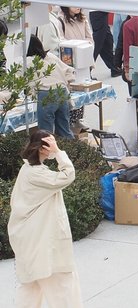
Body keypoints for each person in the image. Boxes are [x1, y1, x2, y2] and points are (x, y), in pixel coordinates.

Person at [7, 130, 83, 308]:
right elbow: (67, 175)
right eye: (51, 144)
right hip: (42, 242)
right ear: (42, 148)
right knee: (63, 288)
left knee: (30, 289)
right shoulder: (36, 174)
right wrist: (58, 153)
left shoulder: (29, 170)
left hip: (31, 240)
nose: (55, 147)